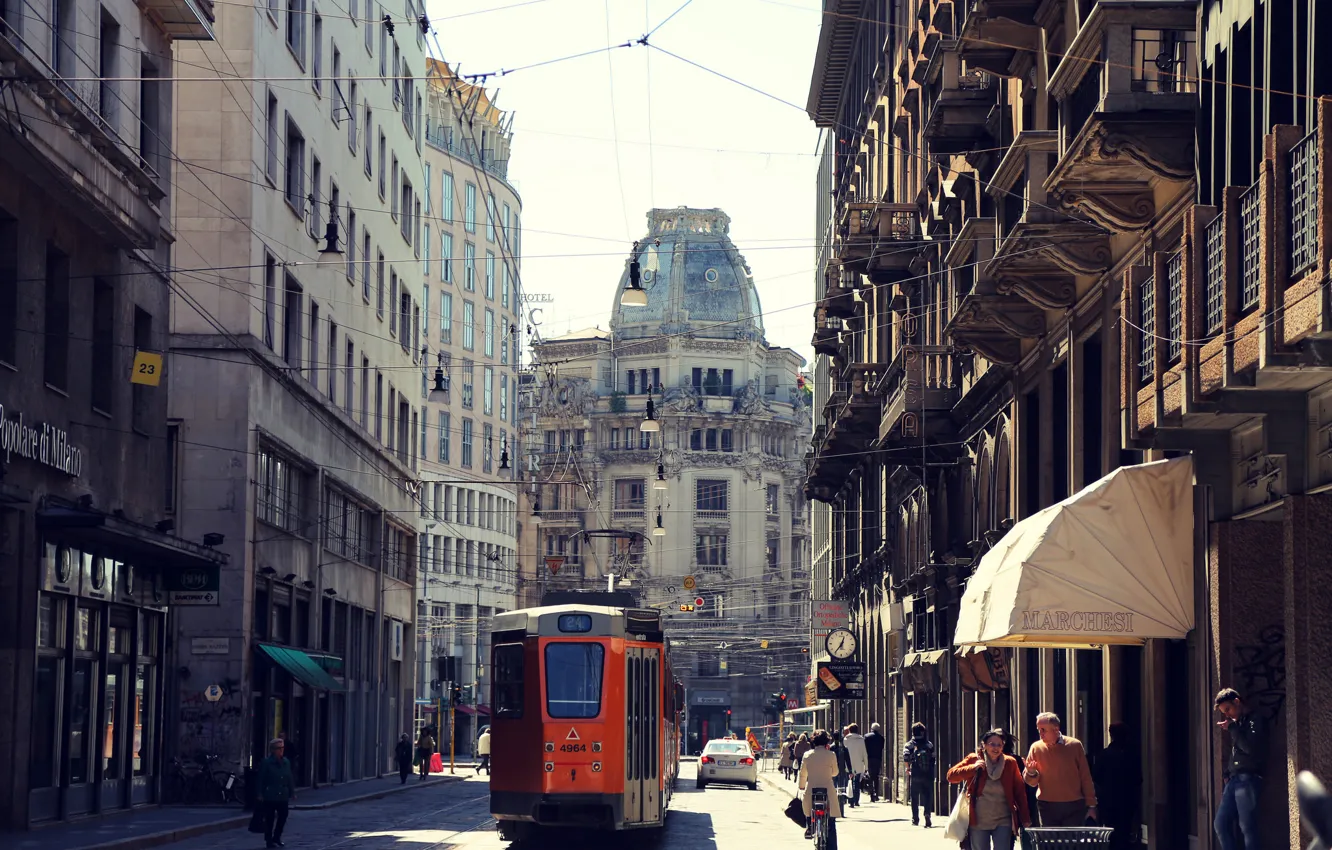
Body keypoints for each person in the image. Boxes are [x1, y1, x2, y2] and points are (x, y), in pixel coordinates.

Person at [948, 729, 1032, 850]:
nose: (996, 748)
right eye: (992, 744)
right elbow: (951, 776)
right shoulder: (974, 759)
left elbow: (1019, 792)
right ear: (984, 745)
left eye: (999, 744)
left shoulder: (1010, 763)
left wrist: (1025, 818)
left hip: (1003, 819)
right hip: (978, 820)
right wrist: (972, 768)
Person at [1213, 688, 1267, 850]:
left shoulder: (1255, 720)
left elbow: (1250, 748)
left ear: (1237, 702)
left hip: (1248, 778)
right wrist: (1227, 773)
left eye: (1228, 709)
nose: (1227, 715)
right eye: (1224, 712)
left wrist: (1232, 729)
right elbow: (1236, 752)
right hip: (1234, 780)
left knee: (1247, 826)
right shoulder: (1238, 723)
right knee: (1220, 824)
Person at [1023, 712, 1097, 826]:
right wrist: (1031, 773)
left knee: (1071, 842)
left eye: (1043, 730)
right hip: (1047, 806)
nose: (1040, 734)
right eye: (1039, 730)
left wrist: (1091, 805)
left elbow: (1085, 776)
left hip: (1074, 805)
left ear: (1056, 729)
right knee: (1048, 842)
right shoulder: (1036, 748)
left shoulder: (1074, 745)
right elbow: (1031, 782)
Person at [1093, 722, 1142, 850]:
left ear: (1111, 735)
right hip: (1127, 800)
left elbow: (1096, 777)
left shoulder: (1103, 755)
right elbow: (1138, 778)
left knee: (1111, 832)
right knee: (1125, 831)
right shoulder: (1133, 755)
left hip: (1108, 800)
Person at [798, 729, 843, 846]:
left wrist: (801, 786)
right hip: (828, 790)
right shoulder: (831, 755)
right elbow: (836, 772)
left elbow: (803, 773)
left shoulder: (807, 755)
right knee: (831, 822)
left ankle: (809, 827)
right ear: (826, 742)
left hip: (811, 788)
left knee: (808, 807)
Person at [257, 737, 296, 849]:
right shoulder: (266, 762)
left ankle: (277, 837)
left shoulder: (286, 762)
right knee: (269, 819)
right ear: (273, 750)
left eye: (282, 748)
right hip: (270, 794)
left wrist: (292, 792)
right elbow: (261, 779)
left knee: (283, 816)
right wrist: (259, 793)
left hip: (283, 794)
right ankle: (269, 840)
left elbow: (289, 777)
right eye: (279, 748)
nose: (281, 750)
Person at [903, 722, 937, 827]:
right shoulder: (929, 744)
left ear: (913, 732)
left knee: (914, 797)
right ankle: (927, 814)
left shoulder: (909, 745)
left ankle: (915, 819)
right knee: (928, 794)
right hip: (927, 773)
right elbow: (933, 757)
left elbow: (906, 757)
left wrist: (908, 768)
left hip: (915, 773)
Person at [843, 723, 869, 809]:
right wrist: (866, 767)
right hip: (859, 765)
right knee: (857, 783)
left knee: (849, 782)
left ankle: (850, 800)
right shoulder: (861, 740)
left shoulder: (846, 739)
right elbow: (864, 754)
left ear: (849, 730)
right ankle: (856, 800)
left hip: (848, 765)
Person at [830, 729, 851, 811]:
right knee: (842, 788)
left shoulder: (831, 748)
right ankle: (841, 804)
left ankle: (835, 802)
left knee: (834, 788)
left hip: (832, 771)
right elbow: (848, 760)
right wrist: (850, 770)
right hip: (842, 770)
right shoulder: (844, 748)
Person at [863, 722, 885, 802]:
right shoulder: (881, 738)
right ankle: (876, 794)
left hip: (869, 758)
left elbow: (864, 747)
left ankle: (871, 795)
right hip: (878, 758)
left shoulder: (866, 736)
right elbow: (882, 747)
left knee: (870, 777)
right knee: (876, 777)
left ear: (871, 728)